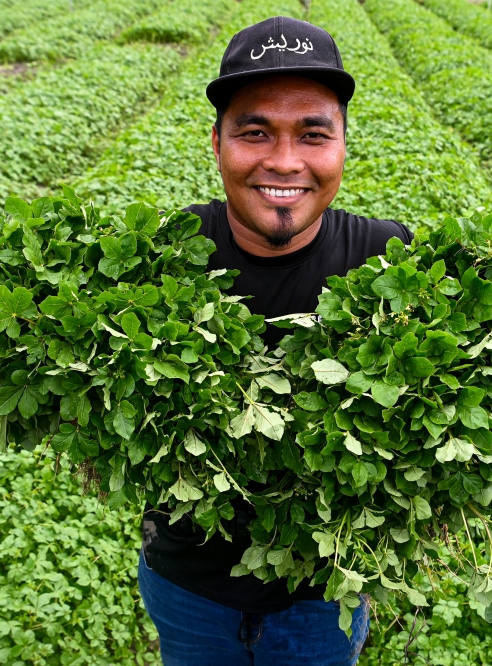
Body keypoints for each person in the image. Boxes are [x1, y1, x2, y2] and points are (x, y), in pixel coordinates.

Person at [137, 15, 413, 665]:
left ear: (343, 145)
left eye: (312, 133)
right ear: (217, 143)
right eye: (254, 131)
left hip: (323, 597)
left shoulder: (390, 262)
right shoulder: (161, 260)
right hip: (188, 586)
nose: (284, 160)